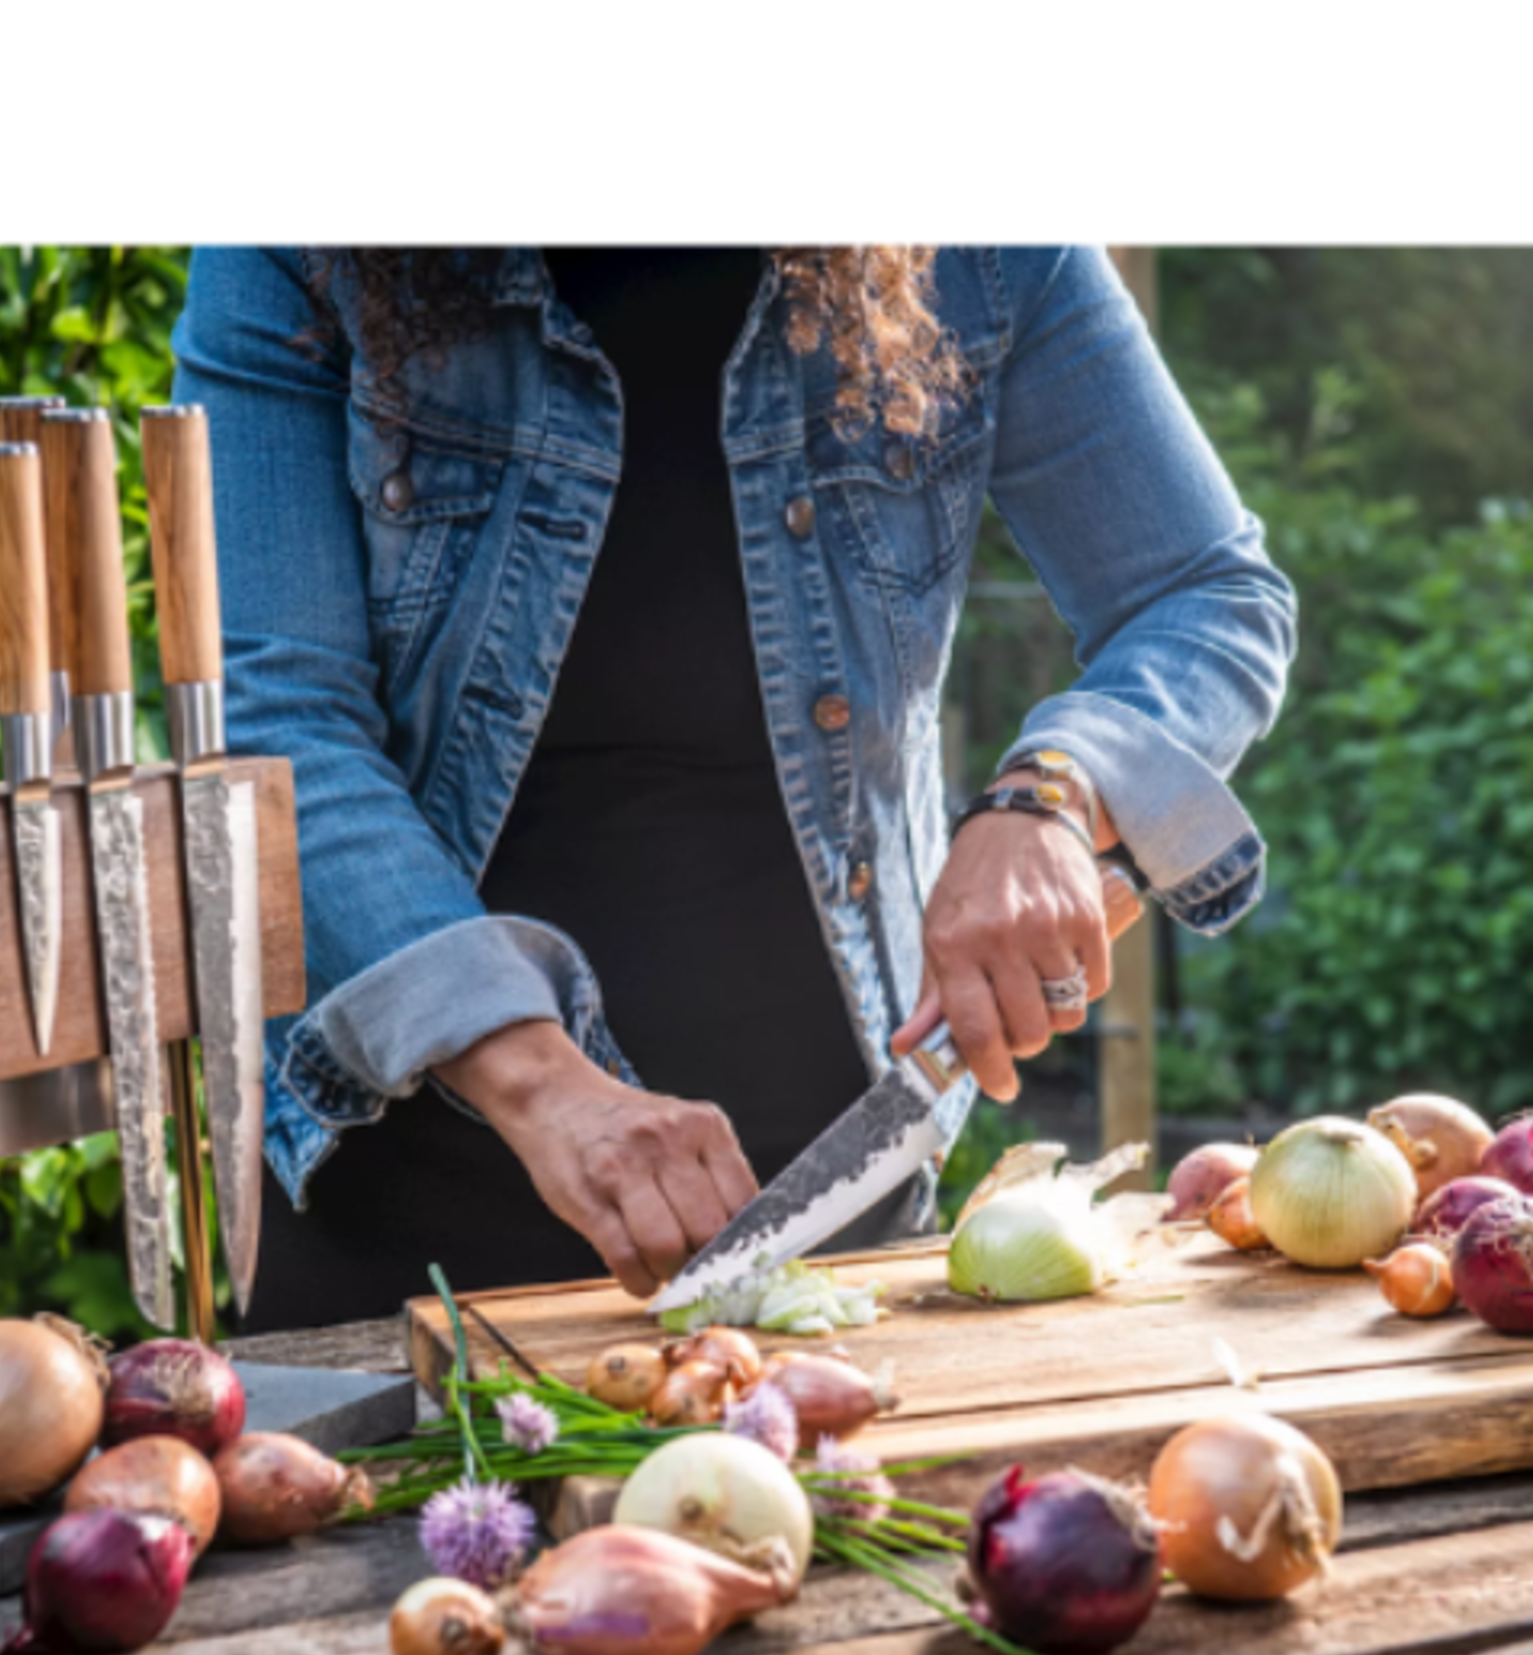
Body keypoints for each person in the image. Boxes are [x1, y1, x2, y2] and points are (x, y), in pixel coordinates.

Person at [173, 237, 1295, 1329]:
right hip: (397, 1224)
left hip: (829, 1222)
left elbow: (1203, 591)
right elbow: (277, 732)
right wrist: (545, 1087)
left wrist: (1053, 794)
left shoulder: (983, 252)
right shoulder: (302, 251)